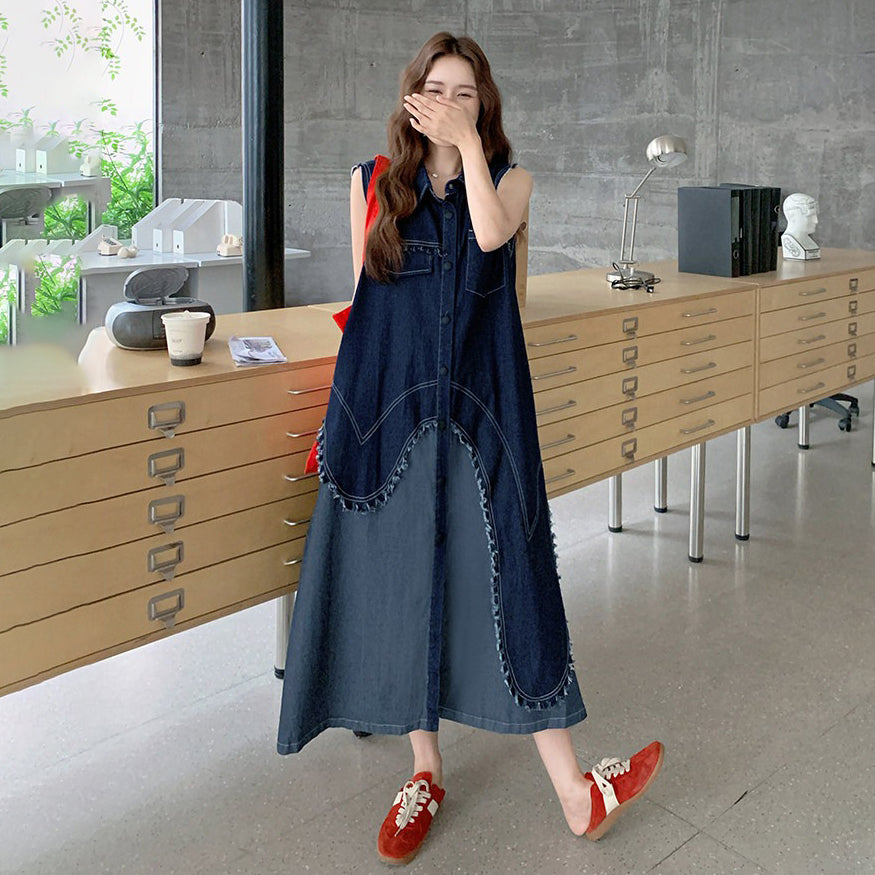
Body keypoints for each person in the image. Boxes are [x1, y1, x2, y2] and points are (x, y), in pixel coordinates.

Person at [277, 31, 664, 866]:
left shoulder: (511, 180)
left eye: (465, 92)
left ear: (483, 105)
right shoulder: (370, 182)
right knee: (403, 583)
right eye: (436, 88)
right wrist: (343, 420)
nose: (450, 103)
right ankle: (424, 771)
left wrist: (468, 154)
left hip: (483, 413)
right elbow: (363, 301)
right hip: (387, 415)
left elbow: (489, 235)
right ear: (411, 96)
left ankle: (575, 792)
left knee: (514, 575)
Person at [781, 192, 821, 259]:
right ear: (791, 216)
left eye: (815, 215)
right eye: (810, 216)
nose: (816, 221)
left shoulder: (809, 243)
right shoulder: (789, 241)